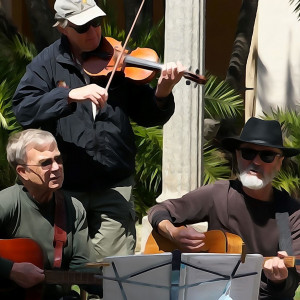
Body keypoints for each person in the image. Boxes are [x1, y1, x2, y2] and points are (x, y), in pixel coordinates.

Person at [12, 0, 185, 262]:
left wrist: (163, 92)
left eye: (96, 23)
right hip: (65, 190)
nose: (93, 32)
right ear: (63, 28)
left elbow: (149, 116)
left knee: (110, 272)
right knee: (60, 268)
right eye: (83, 27)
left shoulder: (119, 58)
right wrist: (68, 95)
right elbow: (24, 109)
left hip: (113, 185)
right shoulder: (46, 63)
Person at [148, 117, 300, 300]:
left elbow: (290, 284)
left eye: (267, 155)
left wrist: (279, 280)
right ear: (237, 155)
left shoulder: (289, 212)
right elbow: (160, 210)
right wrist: (172, 232)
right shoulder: (219, 193)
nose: (256, 162)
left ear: (279, 162)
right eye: (248, 153)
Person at [0, 129, 100, 300]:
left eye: (58, 159)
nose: (56, 168)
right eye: (45, 163)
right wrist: (10, 270)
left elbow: (80, 267)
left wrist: (115, 280)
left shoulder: (74, 208)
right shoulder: (6, 203)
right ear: (22, 171)